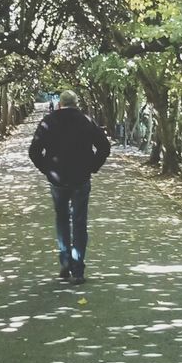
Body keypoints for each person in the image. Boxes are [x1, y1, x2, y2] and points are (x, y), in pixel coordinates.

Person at [28, 90, 110, 285]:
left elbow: (34, 151)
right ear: (76, 103)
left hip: (57, 180)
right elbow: (104, 147)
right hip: (81, 178)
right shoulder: (86, 121)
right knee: (80, 222)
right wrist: (93, 166)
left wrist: (47, 170)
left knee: (62, 219)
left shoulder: (48, 121)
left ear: (60, 104)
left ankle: (65, 260)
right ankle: (78, 268)